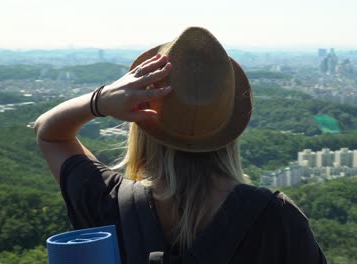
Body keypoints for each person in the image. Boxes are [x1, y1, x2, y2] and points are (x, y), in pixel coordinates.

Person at [35, 27, 327, 264]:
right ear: (230, 130)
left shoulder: (108, 201)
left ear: (141, 124)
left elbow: (49, 132)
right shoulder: (276, 219)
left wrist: (101, 100)